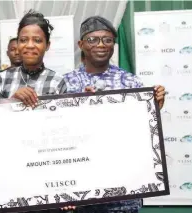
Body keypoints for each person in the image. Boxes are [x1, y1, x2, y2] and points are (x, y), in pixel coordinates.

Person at [63, 16, 166, 213]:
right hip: (82, 191)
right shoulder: (66, 83)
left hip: (123, 190)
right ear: (81, 44)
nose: (101, 45)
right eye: (93, 39)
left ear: (113, 44)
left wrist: (154, 109)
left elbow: (141, 134)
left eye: (107, 39)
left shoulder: (131, 83)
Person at [0, 10, 67, 106]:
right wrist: (13, 101)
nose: (30, 45)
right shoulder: (2, 78)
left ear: (47, 45)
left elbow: (62, 118)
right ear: (18, 43)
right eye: (23, 40)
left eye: (37, 40)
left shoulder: (57, 81)